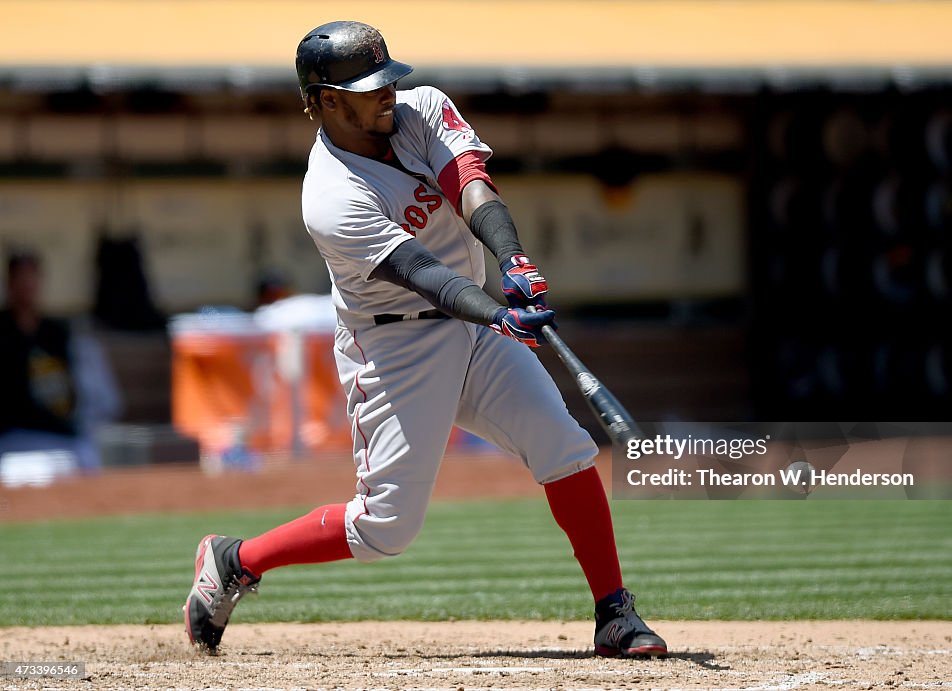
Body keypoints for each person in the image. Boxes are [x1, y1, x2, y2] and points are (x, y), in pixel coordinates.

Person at [184, 21, 667, 659]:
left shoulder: (420, 108)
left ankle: (615, 613)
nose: (387, 93)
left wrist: (514, 263)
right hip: (395, 350)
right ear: (328, 101)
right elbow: (419, 273)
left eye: (387, 78)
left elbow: (471, 184)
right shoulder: (329, 196)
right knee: (385, 529)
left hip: (472, 324)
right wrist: (497, 314)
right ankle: (236, 559)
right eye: (366, 87)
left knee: (565, 446)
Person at [0, 249, 122, 473]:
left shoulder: (55, 332)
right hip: (14, 434)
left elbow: (72, 388)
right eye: (21, 277)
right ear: (9, 283)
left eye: (32, 277)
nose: (27, 284)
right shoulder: (4, 333)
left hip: (59, 433)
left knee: (87, 457)